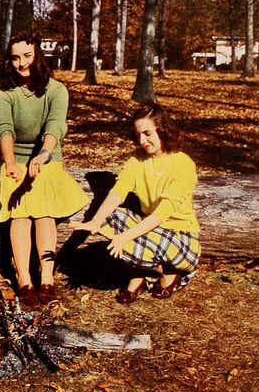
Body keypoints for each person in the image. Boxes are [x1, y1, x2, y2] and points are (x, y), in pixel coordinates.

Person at [0, 31, 89, 307]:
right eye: (15, 58)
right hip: (16, 159)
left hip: (48, 159)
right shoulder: (4, 93)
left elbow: (55, 127)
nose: (21, 63)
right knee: (20, 215)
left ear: (37, 56)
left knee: (44, 214)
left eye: (26, 56)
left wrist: (43, 155)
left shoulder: (56, 90)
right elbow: (5, 130)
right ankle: (24, 278)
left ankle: (47, 277)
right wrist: (11, 164)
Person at [72, 103, 201, 304]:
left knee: (126, 238)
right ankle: (139, 274)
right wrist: (95, 221)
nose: (142, 140)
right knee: (112, 217)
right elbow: (118, 193)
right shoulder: (136, 160)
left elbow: (161, 214)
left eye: (148, 133)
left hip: (180, 235)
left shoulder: (183, 164)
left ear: (163, 129)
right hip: (150, 230)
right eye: (138, 134)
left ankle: (169, 272)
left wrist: (124, 237)